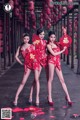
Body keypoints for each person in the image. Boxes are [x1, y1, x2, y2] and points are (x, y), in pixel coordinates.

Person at [13, 33, 40, 106]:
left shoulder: (32, 45)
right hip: (27, 64)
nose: (26, 40)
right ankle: (16, 98)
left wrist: (35, 59)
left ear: (29, 39)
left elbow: (36, 54)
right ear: (22, 39)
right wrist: (21, 63)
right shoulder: (20, 47)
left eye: (27, 39)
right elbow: (16, 56)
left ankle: (37, 98)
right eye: (25, 39)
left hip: (34, 63)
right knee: (23, 82)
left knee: (37, 80)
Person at [47, 31, 72, 106]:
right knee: (50, 79)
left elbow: (65, 41)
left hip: (57, 62)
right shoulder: (48, 45)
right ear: (49, 37)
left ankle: (68, 97)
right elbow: (53, 54)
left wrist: (64, 33)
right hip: (51, 61)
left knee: (62, 80)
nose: (53, 39)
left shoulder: (57, 44)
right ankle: (50, 97)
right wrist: (62, 50)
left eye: (54, 37)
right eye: (51, 37)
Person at [28, 28, 48, 105]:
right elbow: (30, 51)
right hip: (36, 61)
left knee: (35, 80)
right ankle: (37, 97)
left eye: (43, 34)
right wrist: (33, 59)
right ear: (37, 35)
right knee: (37, 79)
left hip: (42, 61)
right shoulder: (35, 42)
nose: (42, 36)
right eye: (40, 34)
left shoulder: (45, 42)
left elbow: (46, 50)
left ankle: (30, 95)